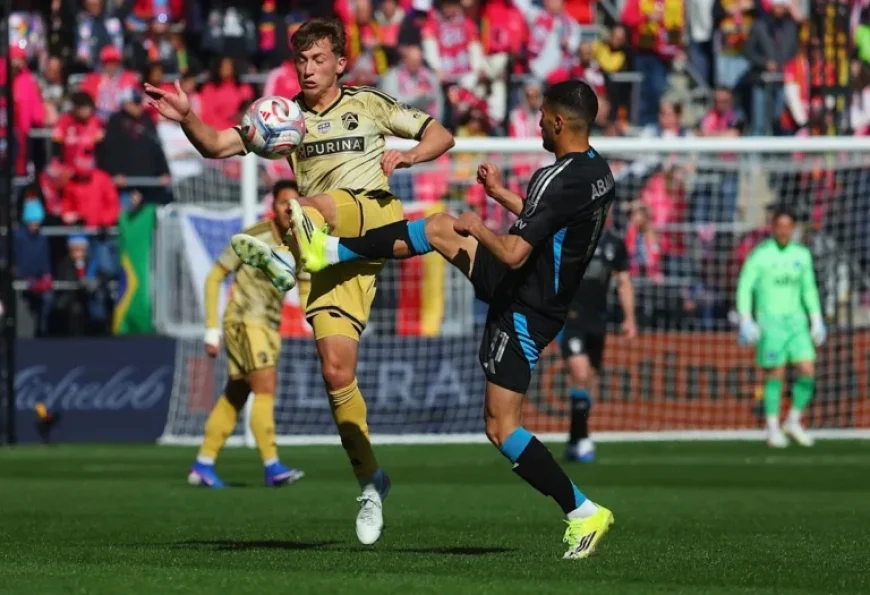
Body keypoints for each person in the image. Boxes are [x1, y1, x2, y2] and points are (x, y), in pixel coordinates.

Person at [144, 18, 454, 545]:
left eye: (317, 60)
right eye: (301, 61)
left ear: (339, 62)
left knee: (301, 205)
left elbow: (440, 134)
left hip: (372, 216)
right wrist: (187, 117)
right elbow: (218, 146)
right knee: (336, 372)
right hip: (330, 256)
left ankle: (288, 259)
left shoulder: (370, 103)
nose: (308, 70)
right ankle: (371, 482)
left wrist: (408, 154)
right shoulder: (282, 118)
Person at [282, 80, 616, 559]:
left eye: (542, 116)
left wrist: (479, 223)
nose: (539, 122)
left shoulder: (552, 177)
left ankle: (582, 512)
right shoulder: (596, 172)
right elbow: (548, 220)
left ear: (559, 122)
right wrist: (501, 195)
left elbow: (517, 253)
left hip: (523, 301)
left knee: (502, 428)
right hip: (544, 296)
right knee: (438, 227)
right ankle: (330, 250)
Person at [188, 181, 305, 489]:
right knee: (265, 386)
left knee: (236, 393)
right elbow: (215, 277)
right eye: (284, 203)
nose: (289, 209)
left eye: (295, 204)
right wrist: (211, 329)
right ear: (274, 206)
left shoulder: (301, 242)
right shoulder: (253, 238)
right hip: (243, 321)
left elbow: (306, 284)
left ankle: (203, 464)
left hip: (268, 326)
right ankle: (272, 466)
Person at [736, 206, 826, 448]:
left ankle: (794, 420)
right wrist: (745, 319)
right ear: (773, 228)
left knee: (807, 369)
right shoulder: (761, 255)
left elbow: (809, 288)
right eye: (779, 226)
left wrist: (816, 318)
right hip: (771, 322)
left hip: (797, 323)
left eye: (788, 227)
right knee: (775, 372)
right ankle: (773, 426)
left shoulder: (802, 255)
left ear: (794, 228)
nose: (784, 231)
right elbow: (745, 286)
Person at [560, 215, 636, 463]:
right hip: (570, 319)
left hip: (598, 321)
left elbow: (624, 282)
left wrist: (629, 318)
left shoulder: (614, 244)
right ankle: (583, 441)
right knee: (580, 374)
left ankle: (575, 438)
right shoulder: (568, 240)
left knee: (590, 381)